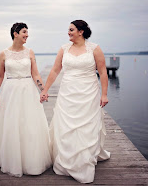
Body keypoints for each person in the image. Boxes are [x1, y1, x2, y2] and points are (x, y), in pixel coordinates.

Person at [40, 20, 110, 183]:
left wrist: (104, 94)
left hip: (89, 92)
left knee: (87, 126)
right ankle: (66, 161)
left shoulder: (94, 48)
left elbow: (103, 71)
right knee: (66, 127)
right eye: (68, 30)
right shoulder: (64, 49)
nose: (68, 32)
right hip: (68, 93)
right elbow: (55, 70)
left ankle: (84, 161)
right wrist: (45, 90)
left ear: (81, 31)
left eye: (71, 30)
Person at [0, 22, 52, 177]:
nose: (27, 35)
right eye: (24, 32)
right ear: (15, 33)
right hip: (10, 91)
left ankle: (31, 159)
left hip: (28, 90)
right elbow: (0, 76)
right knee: (11, 123)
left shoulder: (30, 52)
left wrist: (43, 90)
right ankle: (10, 158)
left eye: (27, 32)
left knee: (28, 123)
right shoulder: (3, 54)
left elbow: (35, 74)